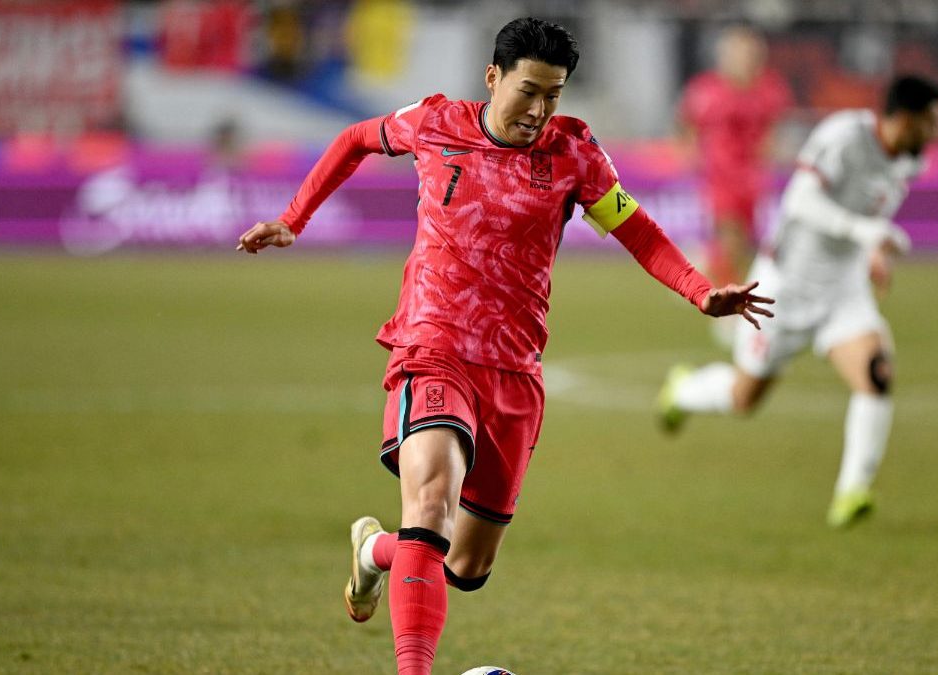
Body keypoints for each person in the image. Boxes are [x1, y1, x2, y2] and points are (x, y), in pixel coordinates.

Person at [236, 18, 774, 675]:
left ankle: (377, 548)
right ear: (492, 77)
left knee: (463, 563)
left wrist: (699, 290)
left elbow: (638, 230)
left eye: (554, 94)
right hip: (432, 345)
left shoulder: (573, 152)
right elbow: (354, 139)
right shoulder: (436, 122)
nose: (540, 110)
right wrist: (293, 219)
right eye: (529, 91)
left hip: (513, 371)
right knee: (430, 504)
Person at [658, 75, 938, 529]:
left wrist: (871, 250)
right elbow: (802, 201)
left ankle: (853, 491)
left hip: (843, 289)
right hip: (785, 287)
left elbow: (872, 211)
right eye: (932, 122)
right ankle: (683, 390)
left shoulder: (910, 161)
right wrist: (861, 232)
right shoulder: (844, 137)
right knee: (744, 398)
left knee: (876, 372)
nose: (936, 133)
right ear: (906, 118)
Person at [677, 25, 792, 291]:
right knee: (729, 234)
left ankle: (702, 267)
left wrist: (770, 154)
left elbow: (771, 129)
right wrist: (691, 155)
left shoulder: (769, 89)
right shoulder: (706, 89)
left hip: (752, 175)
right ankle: (726, 294)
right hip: (719, 173)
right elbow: (687, 124)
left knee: (742, 243)